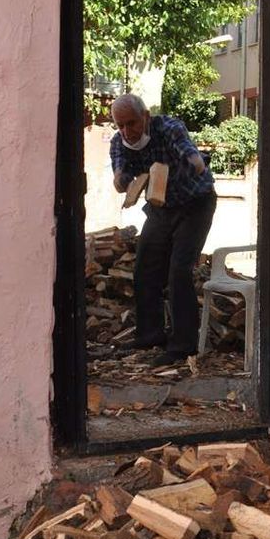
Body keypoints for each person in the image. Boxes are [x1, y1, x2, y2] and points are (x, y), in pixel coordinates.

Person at [109, 94, 218, 367]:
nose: (127, 131)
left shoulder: (169, 128)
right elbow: (120, 178)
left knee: (179, 271)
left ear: (145, 116)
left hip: (195, 204)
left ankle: (183, 346)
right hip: (161, 207)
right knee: (145, 268)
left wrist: (195, 160)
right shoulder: (118, 142)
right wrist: (122, 181)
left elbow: (187, 150)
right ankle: (150, 335)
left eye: (132, 123)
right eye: (120, 125)